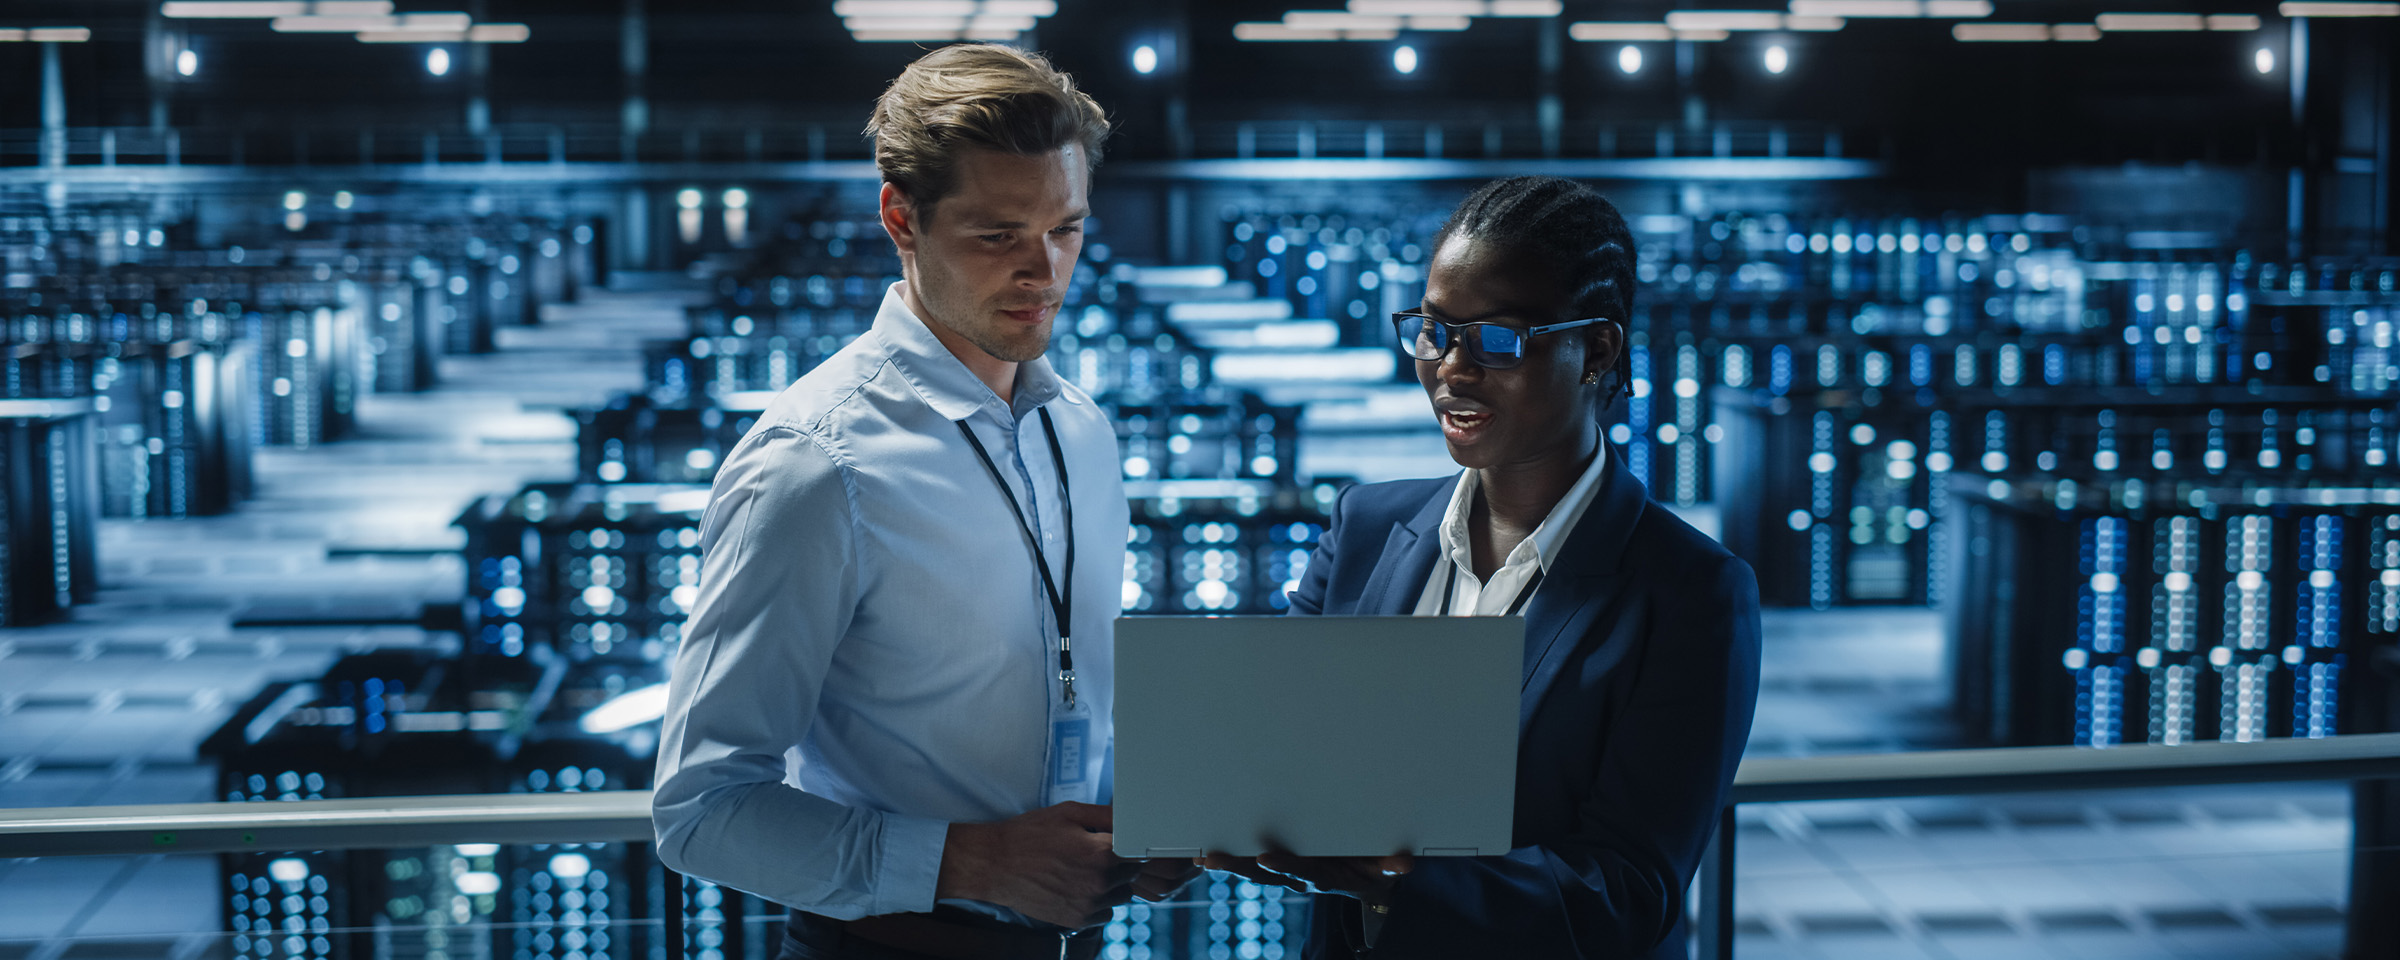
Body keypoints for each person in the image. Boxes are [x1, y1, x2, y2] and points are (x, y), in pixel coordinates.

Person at [652, 43, 1193, 960]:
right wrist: (970, 864)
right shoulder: (814, 465)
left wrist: (1128, 824)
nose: (1044, 271)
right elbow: (702, 811)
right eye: (998, 235)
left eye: (1066, 229)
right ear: (902, 220)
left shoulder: (1084, 435)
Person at [1207, 176, 1762, 959]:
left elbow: (1628, 890)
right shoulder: (1365, 528)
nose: (1451, 370)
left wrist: (1391, 881)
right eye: (1433, 331)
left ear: (1596, 349)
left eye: (1496, 339)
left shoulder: (1688, 593)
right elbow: (1289, 756)